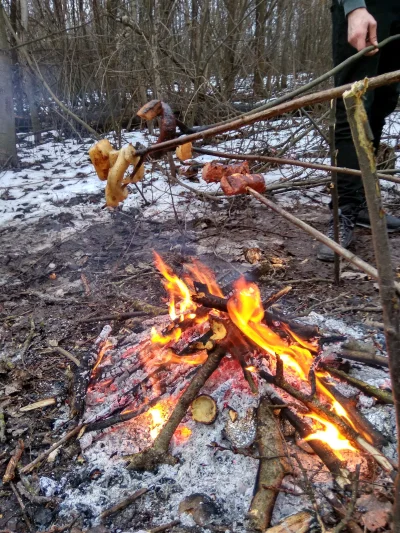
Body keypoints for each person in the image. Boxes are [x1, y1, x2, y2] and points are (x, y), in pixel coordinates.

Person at [317, 0, 400, 262]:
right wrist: (353, 6)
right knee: (353, 105)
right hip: (369, 5)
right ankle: (345, 209)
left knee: (383, 102)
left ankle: (361, 200)